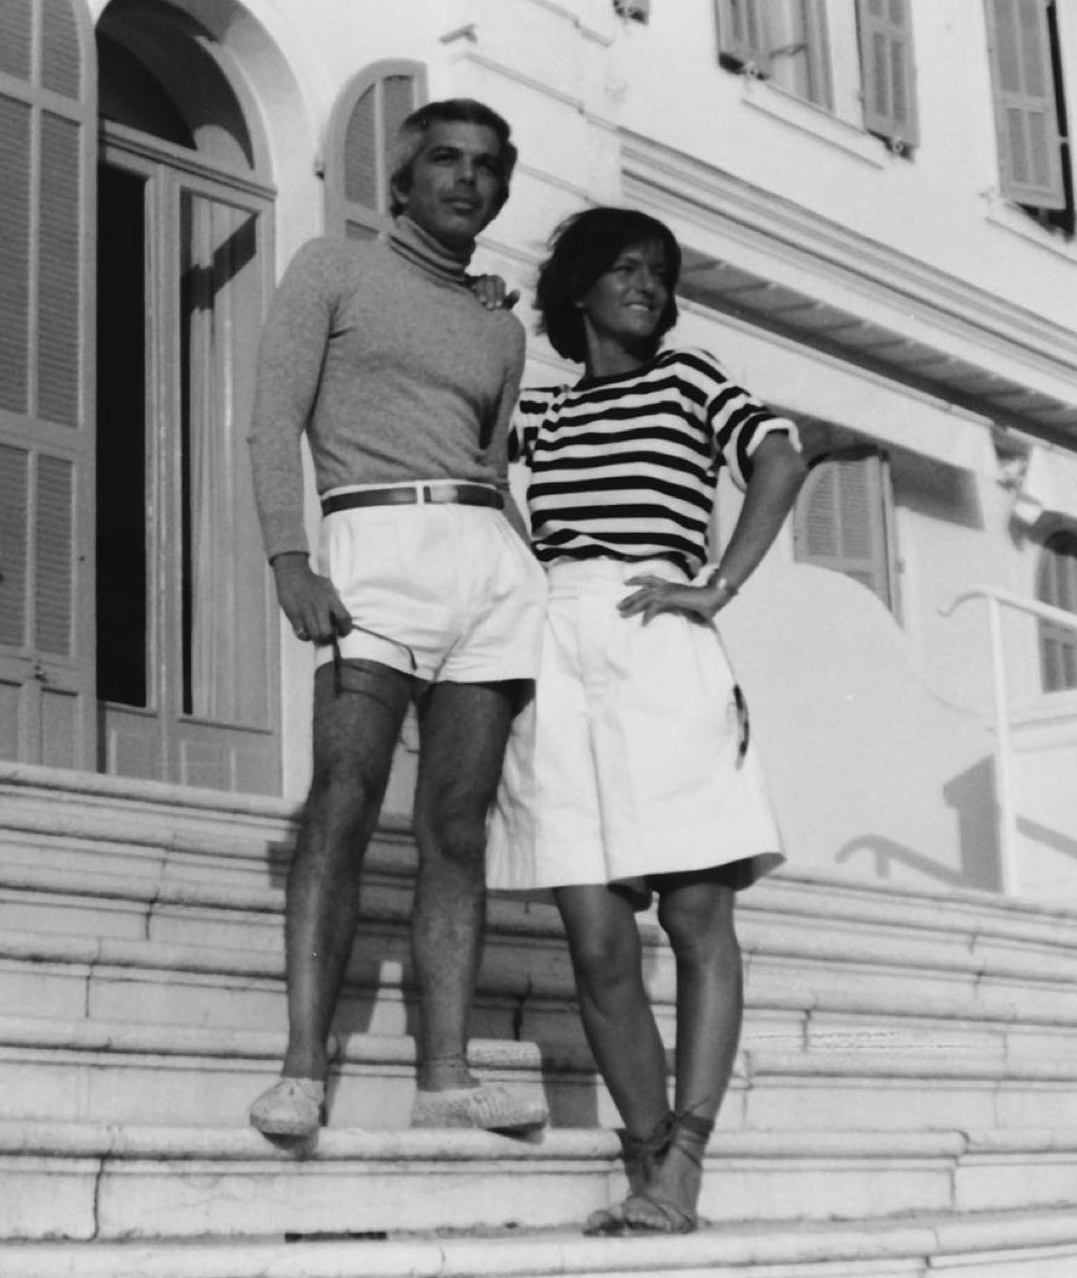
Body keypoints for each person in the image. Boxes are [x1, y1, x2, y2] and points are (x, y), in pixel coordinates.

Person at [488, 207, 801, 1234]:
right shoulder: (541, 408)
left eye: (659, 273)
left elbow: (781, 455)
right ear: (577, 290)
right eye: (623, 269)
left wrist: (716, 583)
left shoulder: (690, 379)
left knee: (696, 916)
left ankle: (682, 1164)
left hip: (659, 635)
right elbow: (474, 456)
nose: (647, 286)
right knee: (592, 931)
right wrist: (484, 323)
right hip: (556, 646)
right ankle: (645, 1150)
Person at [244, 98, 547, 1137]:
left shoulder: (500, 324)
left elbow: (494, 465)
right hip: (372, 548)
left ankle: (446, 1080)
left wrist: (536, 577)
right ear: (405, 178)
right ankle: (300, 1066)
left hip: (486, 564)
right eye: (447, 161)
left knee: (456, 828)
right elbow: (271, 416)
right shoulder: (332, 268)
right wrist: (290, 554)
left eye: (487, 166)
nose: (468, 180)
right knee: (343, 793)